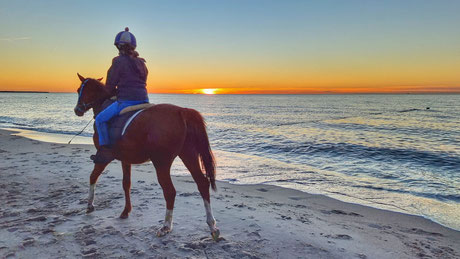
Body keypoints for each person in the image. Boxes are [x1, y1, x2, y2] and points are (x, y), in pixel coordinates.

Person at [91, 27, 149, 164]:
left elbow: (110, 86)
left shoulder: (118, 61)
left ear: (118, 46)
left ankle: (105, 150)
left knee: (100, 119)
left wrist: (110, 93)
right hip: (144, 99)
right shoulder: (142, 62)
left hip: (126, 101)